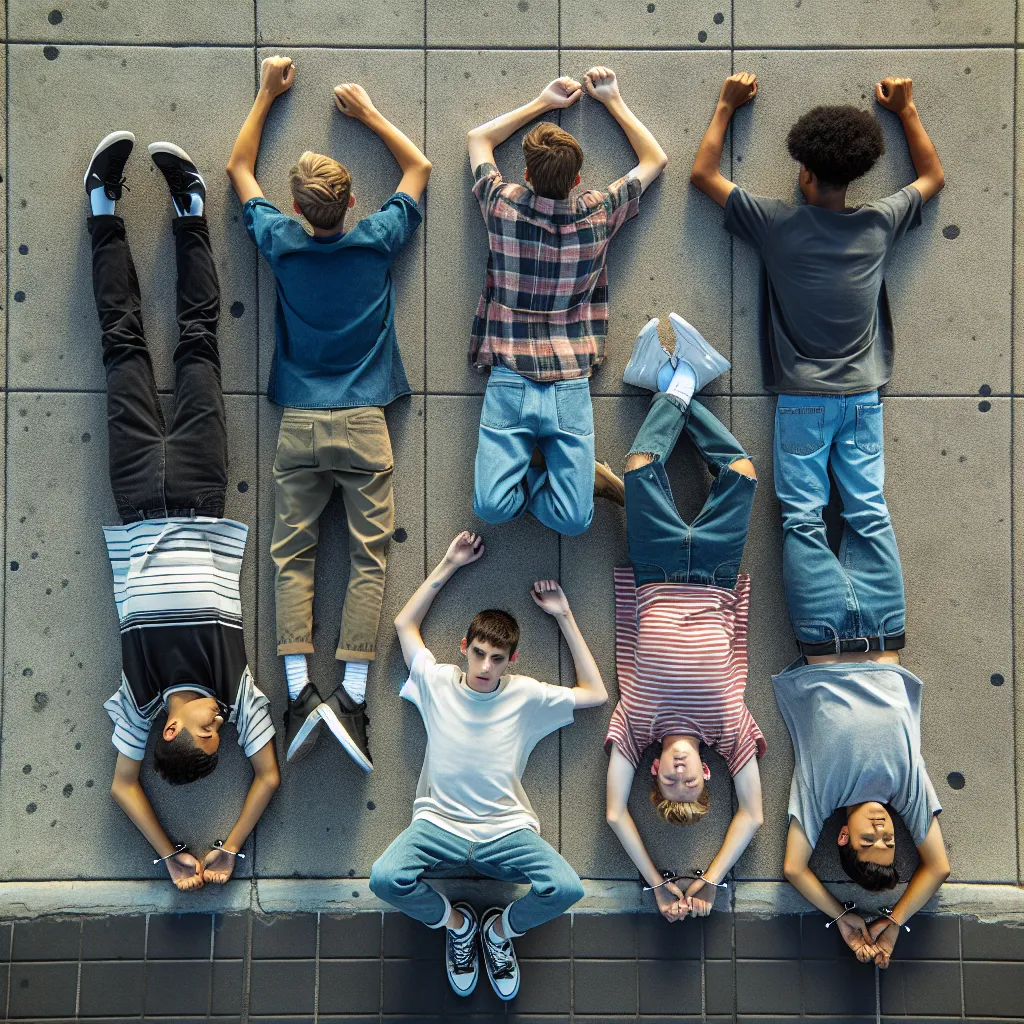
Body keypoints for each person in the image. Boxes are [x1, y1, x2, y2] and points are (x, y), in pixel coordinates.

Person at [84, 130, 280, 891]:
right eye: (221, 734)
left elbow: (122, 785)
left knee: (122, 347)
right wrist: (226, 847)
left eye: (206, 734)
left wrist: (170, 855)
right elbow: (267, 777)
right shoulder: (235, 689)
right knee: (199, 345)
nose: (220, 726)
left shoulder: (140, 701)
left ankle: (103, 210)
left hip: (136, 495)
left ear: (171, 729)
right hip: (201, 490)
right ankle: (190, 211)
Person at [691, 73, 945, 656]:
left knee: (803, 516)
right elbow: (932, 177)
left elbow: (703, 174)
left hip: (803, 399)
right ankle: (885, 637)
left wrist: (727, 105)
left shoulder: (777, 225)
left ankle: (819, 638)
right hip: (862, 398)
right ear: (855, 175)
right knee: (868, 510)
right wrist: (906, 109)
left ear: (804, 172)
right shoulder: (879, 222)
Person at [227, 56, 432, 769]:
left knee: (293, 555)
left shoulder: (281, 243)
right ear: (351, 203)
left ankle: (297, 693)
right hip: (366, 421)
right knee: (368, 558)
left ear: (298, 207)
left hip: (300, 423)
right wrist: (367, 113)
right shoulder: (376, 239)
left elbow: (238, 168)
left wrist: (267, 93)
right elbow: (419, 168)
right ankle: (350, 696)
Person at [370, 532, 607, 1001]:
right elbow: (404, 624)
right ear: (464, 647)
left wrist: (564, 615)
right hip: (439, 825)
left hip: (505, 830)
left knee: (565, 888)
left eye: (496, 659)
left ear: (510, 661)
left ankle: (497, 933)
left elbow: (596, 694)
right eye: (478, 653)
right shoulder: (437, 682)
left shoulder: (526, 695)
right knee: (384, 878)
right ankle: (459, 926)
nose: (484, 666)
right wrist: (450, 562)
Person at [605, 316, 765, 922]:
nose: (679, 775)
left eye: (670, 782)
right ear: (706, 772)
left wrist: (657, 884)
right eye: (691, 781)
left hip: (656, 571)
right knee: (743, 474)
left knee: (641, 467)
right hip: (718, 576)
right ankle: (680, 383)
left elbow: (615, 814)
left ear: (654, 769)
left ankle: (675, 384)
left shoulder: (635, 724)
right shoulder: (729, 730)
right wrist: (710, 882)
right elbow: (752, 815)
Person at [467, 66, 668, 537]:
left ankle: (562, 476)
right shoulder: (598, 211)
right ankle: (559, 475)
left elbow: (478, 139)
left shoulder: (501, 203)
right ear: (577, 178)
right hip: (519, 377)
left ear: (525, 175)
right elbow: (655, 159)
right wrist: (611, 99)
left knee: (573, 519)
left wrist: (543, 103)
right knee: (492, 506)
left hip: (565, 384)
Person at [776, 650, 950, 968]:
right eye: (889, 840)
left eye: (868, 840)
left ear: (844, 836)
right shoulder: (907, 792)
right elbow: (938, 868)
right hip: (882, 643)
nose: (881, 829)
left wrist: (841, 916)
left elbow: (794, 869)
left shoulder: (820, 796)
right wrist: (894, 922)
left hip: (826, 647)